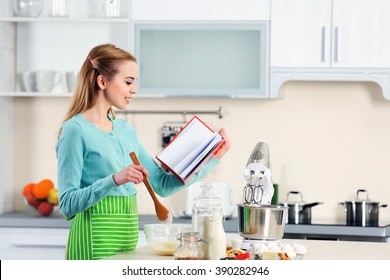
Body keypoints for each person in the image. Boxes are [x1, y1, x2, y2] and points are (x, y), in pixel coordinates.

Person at [56, 44, 231, 260]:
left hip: (127, 244)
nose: (134, 90)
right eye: (128, 82)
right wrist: (114, 179)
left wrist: (212, 158)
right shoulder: (75, 130)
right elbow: (67, 204)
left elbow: (163, 185)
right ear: (102, 81)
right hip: (93, 246)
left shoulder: (126, 131)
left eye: (135, 83)